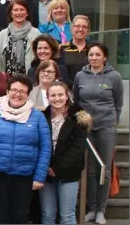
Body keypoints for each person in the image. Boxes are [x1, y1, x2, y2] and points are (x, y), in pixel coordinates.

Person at [0, 74, 52, 224]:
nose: (17, 94)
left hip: (25, 175)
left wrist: (39, 176)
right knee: (0, 216)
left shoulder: (37, 116)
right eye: (14, 90)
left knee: (20, 216)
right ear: (8, 91)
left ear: (28, 94)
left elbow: (45, 147)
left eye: (22, 91)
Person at [74, 43, 124, 225]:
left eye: (97, 55)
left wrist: (112, 121)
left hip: (106, 126)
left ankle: (101, 210)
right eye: (91, 55)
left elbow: (118, 103)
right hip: (87, 127)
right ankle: (92, 208)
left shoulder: (115, 77)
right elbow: (77, 101)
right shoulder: (80, 76)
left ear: (105, 57)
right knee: (91, 170)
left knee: (105, 168)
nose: (93, 58)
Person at [40, 81, 90, 225]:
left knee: (67, 216)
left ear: (67, 96)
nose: (57, 98)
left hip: (68, 173)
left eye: (60, 94)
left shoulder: (78, 118)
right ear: (48, 97)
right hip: (46, 174)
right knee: (48, 214)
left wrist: (57, 168)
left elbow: (77, 149)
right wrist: (47, 167)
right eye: (53, 95)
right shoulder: (42, 117)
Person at [0, 0, 41, 76]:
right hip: (6, 79)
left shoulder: (36, 33)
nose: (19, 13)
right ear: (11, 14)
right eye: (16, 10)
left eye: (22, 10)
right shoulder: (2, 35)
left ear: (27, 13)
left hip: (29, 79)